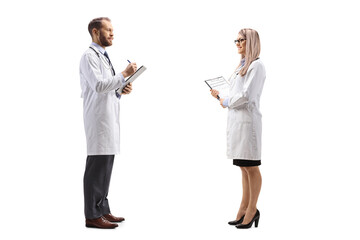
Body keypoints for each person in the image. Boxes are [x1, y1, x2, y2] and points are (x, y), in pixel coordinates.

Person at [79, 17, 137, 229]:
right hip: (98, 119)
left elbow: (108, 88)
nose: (113, 34)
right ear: (96, 32)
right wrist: (124, 74)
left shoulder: (103, 56)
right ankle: (92, 215)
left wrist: (121, 88)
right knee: (96, 167)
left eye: (113, 30)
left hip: (108, 118)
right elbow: (98, 86)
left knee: (106, 165)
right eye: (108, 30)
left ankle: (102, 209)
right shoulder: (88, 56)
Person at [210, 28, 266, 229]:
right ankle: (243, 207)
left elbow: (246, 96)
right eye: (236, 40)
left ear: (251, 42)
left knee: (251, 166)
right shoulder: (241, 65)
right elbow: (236, 92)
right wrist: (220, 96)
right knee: (243, 167)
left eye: (241, 40)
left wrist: (225, 100)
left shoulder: (257, 66)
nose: (238, 43)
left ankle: (252, 209)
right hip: (237, 122)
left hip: (248, 123)